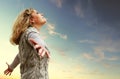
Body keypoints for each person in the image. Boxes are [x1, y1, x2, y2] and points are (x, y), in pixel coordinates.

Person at [4, 8, 50, 79]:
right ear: (32, 20)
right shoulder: (31, 32)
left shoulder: (24, 36)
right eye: (37, 13)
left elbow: (20, 56)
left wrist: (11, 67)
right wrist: (41, 47)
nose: (42, 14)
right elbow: (37, 41)